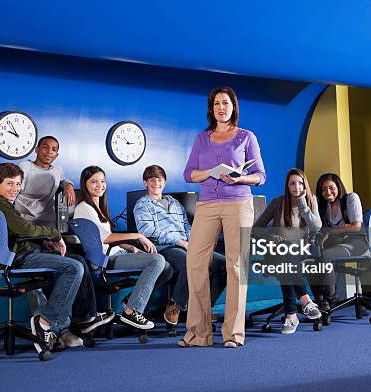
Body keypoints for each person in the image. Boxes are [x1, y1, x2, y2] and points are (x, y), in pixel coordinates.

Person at [179, 86, 266, 348]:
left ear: (233, 107)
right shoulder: (201, 139)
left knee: (236, 267)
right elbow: (188, 174)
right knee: (194, 264)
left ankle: (233, 334)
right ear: (211, 108)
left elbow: (261, 175)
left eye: (225, 103)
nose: (221, 107)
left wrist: (240, 177)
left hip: (238, 203)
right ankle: (199, 333)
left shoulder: (246, 137)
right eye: (216, 103)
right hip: (206, 204)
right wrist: (209, 172)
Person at [14, 136, 114, 345]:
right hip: (26, 235)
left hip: (45, 234)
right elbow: (13, 189)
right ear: (36, 149)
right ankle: (48, 327)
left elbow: (61, 178)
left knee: (78, 262)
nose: (50, 152)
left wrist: (68, 185)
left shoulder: (57, 170)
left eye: (54, 149)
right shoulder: (24, 167)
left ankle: (82, 320)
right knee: (57, 274)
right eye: (45, 147)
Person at [0, 162, 83, 353]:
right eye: (10, 184)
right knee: (73, 268)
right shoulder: (0, 204)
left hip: (13, 255)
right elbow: (25, 229)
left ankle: (60, 329)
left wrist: (42, 241)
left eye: (18, 184)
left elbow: (19, 234)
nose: (15, 189)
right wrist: (54, 233)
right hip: (19, 258)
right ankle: (45, 322)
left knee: (72, 264)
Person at [74, 165, 172, 330]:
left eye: (102, 181)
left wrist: (130, 248)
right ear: (85, 185)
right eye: (94, 182)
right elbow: (104, 238)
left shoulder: (98, 206)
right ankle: (131, 311)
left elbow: (106, 236)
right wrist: (138, 236)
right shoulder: (84, 207)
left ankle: (131, 300)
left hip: (115, 252)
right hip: (103, 259)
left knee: (167, 268)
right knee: (156, 260)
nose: (99, 185)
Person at [133, 164, 227, 325]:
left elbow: (186, 226)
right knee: (190, 262)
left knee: (223, 264)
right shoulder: (142, 205)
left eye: (160, 179)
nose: (156, 183)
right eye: (152, 179)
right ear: (145, 183)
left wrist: (194, 241)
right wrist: (179, 242)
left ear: (165, 182)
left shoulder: (174, 203)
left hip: (187, 244)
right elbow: (147, 231)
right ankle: (176, 305)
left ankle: (204, 308)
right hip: (164, 248)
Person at [253, 168, 322, 334]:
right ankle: (305, 300)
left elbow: (316, 226)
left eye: (300, 183)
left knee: (286, 265)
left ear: (305, 185)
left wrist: (302, 204)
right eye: (292, 183)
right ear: (287, 185)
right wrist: (272, 235)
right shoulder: (278, 203)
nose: (296, 186)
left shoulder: (311, 201)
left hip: (301, 250)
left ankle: (291, 314)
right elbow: (256, 229)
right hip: (276, 249)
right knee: (286, 255)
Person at [314, 173, 367, 310]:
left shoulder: (351, 198)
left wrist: (332, 231)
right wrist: (343, 229)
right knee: (313, 260)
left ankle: (330, 299)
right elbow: (323, 230)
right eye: (323, 189)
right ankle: (320, 300)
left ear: (338, 186)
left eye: (331, 187)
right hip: (336, 243)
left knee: (326, 256)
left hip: (355, 243)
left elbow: (356, 228)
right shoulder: (323, 207)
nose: (328, 192)